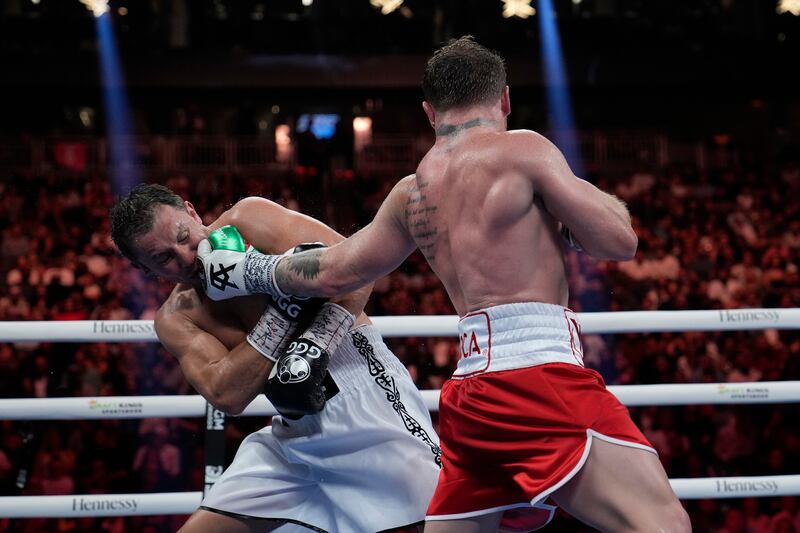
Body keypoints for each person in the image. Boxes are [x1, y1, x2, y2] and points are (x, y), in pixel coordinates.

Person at [197, 37, 692, 532]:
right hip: (536, 374)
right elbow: (619, 241)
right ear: (503, 100)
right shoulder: (524, 148)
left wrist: (250, 271)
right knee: (664, 523)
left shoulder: (411, 192)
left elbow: (335, 271)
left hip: (471, 394)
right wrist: (574, 213)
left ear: (430, 112)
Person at [109, 183, 441, 533]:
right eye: (163, 258)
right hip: (293, 438)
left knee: (429, 525)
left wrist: (313, 342)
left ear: (191, 212)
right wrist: (283, 309)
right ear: (145, 269)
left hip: (365, 399)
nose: (187, 256)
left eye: (183, 235)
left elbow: (359, 269)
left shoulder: (248, 219)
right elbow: (226, 394)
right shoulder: (177, 317)